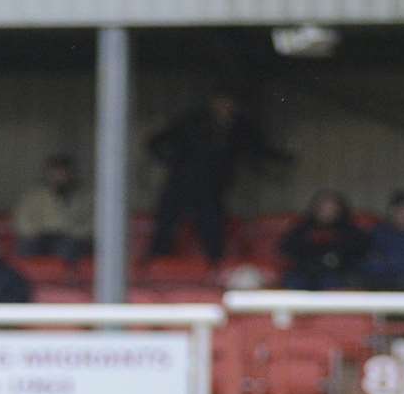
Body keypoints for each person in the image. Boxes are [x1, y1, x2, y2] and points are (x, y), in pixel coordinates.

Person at [147, 89, 292, 264]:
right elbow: (156, 142)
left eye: (229, 103)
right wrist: (171, 161)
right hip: (182, 180)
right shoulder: (193, 121)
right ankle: (156, 264)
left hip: (212, 186)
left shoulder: (240, 127)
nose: (225, 107)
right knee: (167, 222)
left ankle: (215, 266)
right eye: (221, 102)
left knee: (212, 226)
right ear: (213, 103)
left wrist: (283, 158)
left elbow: (257, 149)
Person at [278, 190, 368, 291]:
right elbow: (287, 248)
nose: (327, 212)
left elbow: (359, 253)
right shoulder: (302, 228)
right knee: (294, 282)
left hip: (338, 273)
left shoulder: (351, 230)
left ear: (340, 210)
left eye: (331, 208)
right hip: (304, 272)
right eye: (323, 209)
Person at [13, 154, 94, 261]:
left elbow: (94, 222)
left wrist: (76, 233)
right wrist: (35, 232)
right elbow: (22, 220)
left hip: (73, 238)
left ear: (71, 174)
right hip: (42, 237)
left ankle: (69, 277)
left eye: (63, 173)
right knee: (27, 247)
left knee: (69, 248)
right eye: (54, 174)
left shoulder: (85, 196)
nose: (59, 177)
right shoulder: (34, 196)